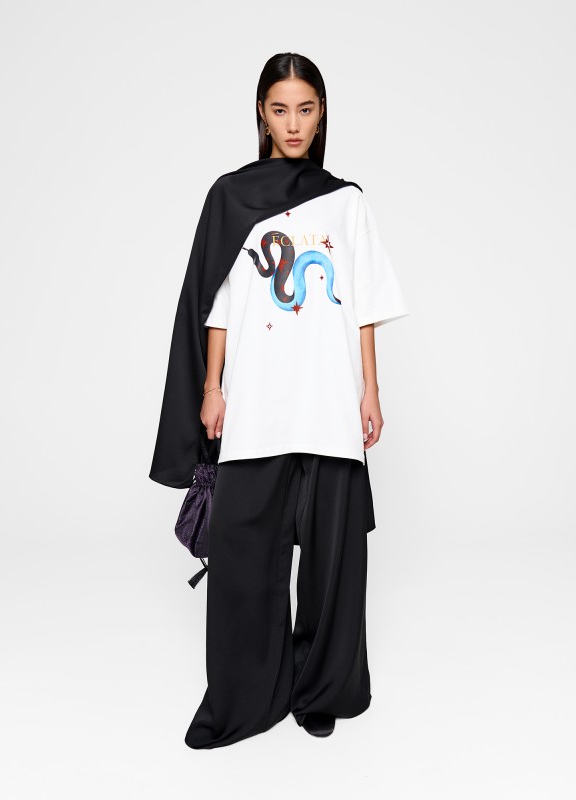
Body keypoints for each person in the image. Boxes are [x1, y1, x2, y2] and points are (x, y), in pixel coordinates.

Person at [149, 52, 410, 749]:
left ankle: (320, 689)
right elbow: (215, 304)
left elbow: (364, 305)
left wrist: (371, 390)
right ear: (261, 115)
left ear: (322, 115)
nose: (293, 123)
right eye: (280, 109)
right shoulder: (230, 198)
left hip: (329, 402)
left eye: (306, 109)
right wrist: (212, 388)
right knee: (245, 558)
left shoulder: (346, 201)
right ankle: (245, 695)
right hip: (257, 403)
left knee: (331, 560)